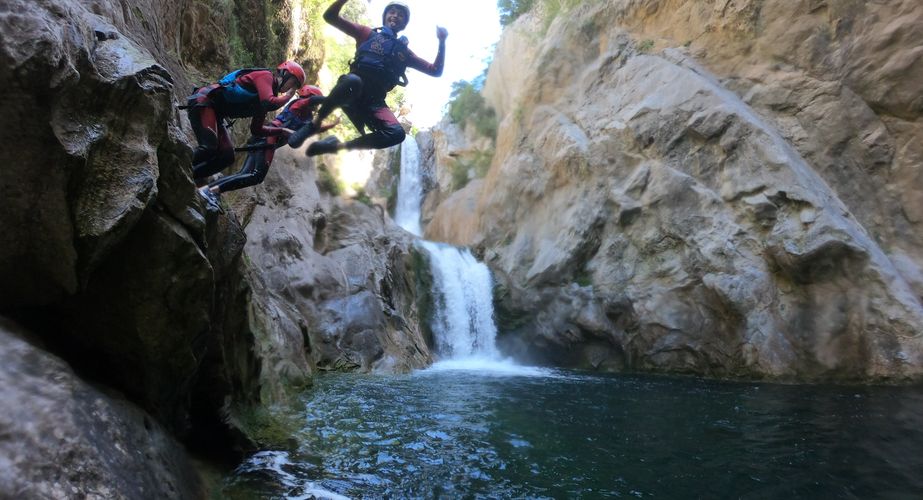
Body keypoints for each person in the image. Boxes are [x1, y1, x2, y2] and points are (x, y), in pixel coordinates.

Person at [286, 0, 447, 156]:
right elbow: (330, 17)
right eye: (392, 12)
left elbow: (435, 71)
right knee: (353, 80)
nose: (395, 16)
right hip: (351, 90)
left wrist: (442, 41)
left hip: (375, 102)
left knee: (397, 133)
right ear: (385, 16)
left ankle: (337, 146)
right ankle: (315, 124)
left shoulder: (405, 54)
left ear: (404, 23)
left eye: (401, 15)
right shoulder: (366, 33)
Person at [185, 61, 306, 196]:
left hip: (216, 113)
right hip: (205, 101)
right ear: (285, 74)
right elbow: (269, 102)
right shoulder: (266, 77)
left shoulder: (268, 94)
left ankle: (189, 176)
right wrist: (288, 97)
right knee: (209, 147)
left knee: (227, 156)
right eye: (293, 83)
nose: (292, 88)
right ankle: (179, 165)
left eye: (295, 86)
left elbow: (256, 129)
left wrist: (282, 131)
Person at [200, 85, 339, 201]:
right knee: (257, 176)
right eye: (315, 103)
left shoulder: (307, 117)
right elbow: (311, 101)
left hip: (265, 140)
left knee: (244, 173)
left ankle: (208, 189)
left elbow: (314, 128)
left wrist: (331, 125)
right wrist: (331, 100)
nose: (315, 107)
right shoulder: (298, 104)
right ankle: (212, 191)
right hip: (268, 139)